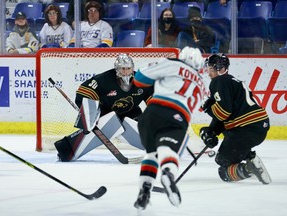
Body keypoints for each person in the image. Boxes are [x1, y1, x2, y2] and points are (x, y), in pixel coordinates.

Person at [133, 47, 206, 210]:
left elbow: (139, 79)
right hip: (177, 117)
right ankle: (168, 173)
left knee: (151, 154)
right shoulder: (202, 84)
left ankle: (144, 192)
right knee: (168, 151)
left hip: (151, 114)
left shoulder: (172, 63)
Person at [54, 53, 154, 162]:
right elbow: (85, 92)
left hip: (132, 113)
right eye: (122, 69)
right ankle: (66, 150)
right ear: (116, 69)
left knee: (143, 127)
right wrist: (89, 116)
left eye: (128, 69)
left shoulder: (141, 81)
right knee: (101, 127)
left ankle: (159, 148)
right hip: (107, 113)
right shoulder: (104, 79)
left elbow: (155, 100)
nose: (125, 72)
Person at [199, 53, 272, 185]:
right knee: (230, 139)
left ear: (220, 69)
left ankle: (250, 167)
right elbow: (228, 115)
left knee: (222, 161)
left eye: (211, 69)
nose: (208, 73)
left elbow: (224, 113)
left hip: (246, 129)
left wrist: (209, 109)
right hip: (258, 127)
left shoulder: (219, 81)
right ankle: (250, 158)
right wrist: (212, 131)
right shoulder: (233, 82)